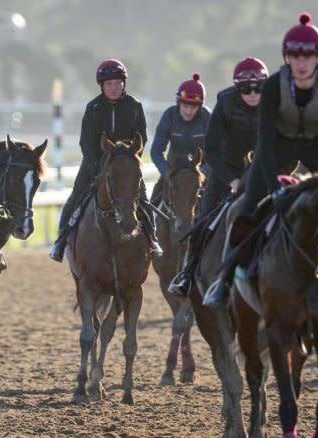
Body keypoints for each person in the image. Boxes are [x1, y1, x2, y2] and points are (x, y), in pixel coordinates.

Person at [203, 12, 318, 307]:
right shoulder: (271, 87)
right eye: (295, 55)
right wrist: (275, 186)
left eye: (308, 55)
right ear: (286, 58)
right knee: (245, 210)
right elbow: (266, 142)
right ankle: (225, 279)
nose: (302, 62)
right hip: (277, 152)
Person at [168, 58, 268, 297]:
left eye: (259, 88)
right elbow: (211, 151)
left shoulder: (275, 103)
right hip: (227, 172)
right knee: (202, 221)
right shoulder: (225, 102)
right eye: (246, 89)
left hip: (264, 173)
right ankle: (187, 275)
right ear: (236, 88)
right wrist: (231, 180)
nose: (253, 94)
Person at [49, 58, 159, 262]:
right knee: (75, 197)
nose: (114, 88)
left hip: (126, 164)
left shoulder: (135, 106)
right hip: (96, 164)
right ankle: (60, 241)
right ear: (102, 86)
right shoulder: (93, 108)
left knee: (142, 197)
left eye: (118, 83)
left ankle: (153, 239)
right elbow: (86, 143)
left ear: (124, 84)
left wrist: (130, 163)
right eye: (109, 84)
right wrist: (97, 168)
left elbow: (141, 139)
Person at [148, 72, 212, 207]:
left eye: (193, 107)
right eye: (185, 106)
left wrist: (202, 175)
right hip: (173, 171)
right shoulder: (169, 115)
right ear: (178, 103)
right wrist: (167, 173)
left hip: (201, 173)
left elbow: (216, 153)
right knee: (152, 206)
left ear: (199, 107)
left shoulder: (207, 117)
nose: (188, 111)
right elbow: (156, 152)